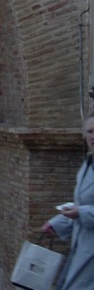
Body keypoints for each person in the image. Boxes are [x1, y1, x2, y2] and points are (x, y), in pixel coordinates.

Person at [41, 114, 94, 289]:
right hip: (83, 246)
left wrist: (81, 213)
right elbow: (82, 202)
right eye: (90, 132)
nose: (93, 136)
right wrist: (59, 222)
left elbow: (84, 209)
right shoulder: (88, 164)